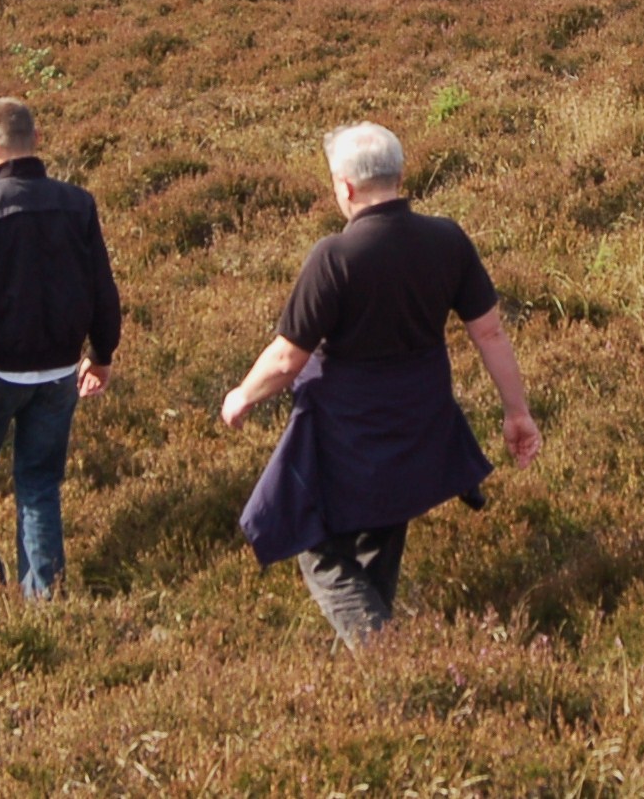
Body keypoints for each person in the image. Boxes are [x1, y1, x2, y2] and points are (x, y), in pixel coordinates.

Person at [225, 121, 542, 646]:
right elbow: (488, 332)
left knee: (319, 551)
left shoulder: (335, 256)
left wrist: (241, 395)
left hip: (346, 435)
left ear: (345, 187)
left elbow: (287, 358)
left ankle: (386, 659)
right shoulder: (447, 239)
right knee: (380, 539)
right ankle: (377, 676)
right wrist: (517, 412)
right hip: (419, 423)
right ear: (399, 174)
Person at [0, 98, 123, 598]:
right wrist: (101, 355)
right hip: (58, 372)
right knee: (39, 484)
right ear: (36, 140)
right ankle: (45, 596)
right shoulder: (78, 203)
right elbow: (102, 288)